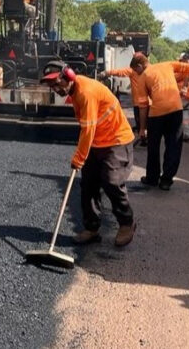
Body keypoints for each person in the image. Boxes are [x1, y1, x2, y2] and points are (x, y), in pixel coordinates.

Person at [40, 62, 136, 247]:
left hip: (116, 141)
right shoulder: (74, 91)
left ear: (68, 76)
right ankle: (91, 228)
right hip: (97, 142)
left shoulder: (85, 92)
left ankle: (126, 223)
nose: (54, 89)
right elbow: (89, 129)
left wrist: (79, 158)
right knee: (88, 185)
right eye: (51, 85)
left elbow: (88, 129)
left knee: (111, 181)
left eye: (56, 83)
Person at [131, 52, 189, 191]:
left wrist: (142, 128)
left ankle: (152, 179)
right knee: (174, 145)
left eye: (136, 70)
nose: (136, 73)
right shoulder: (168, 64)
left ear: (140, 65)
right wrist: (185, 87)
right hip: (176, 110)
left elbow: (142, 106)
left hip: (157, 114)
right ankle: (166, 180)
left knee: (153, 147)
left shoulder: (143, 77)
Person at [98, 67, 145, 135]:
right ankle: (141, 130)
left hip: (138, 101)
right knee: (142, 118)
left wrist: (106, 73)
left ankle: (141, 132)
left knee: (139, 117)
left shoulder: (133, 70)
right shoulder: (147, 70)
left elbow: (120, 72)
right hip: (144, 100)